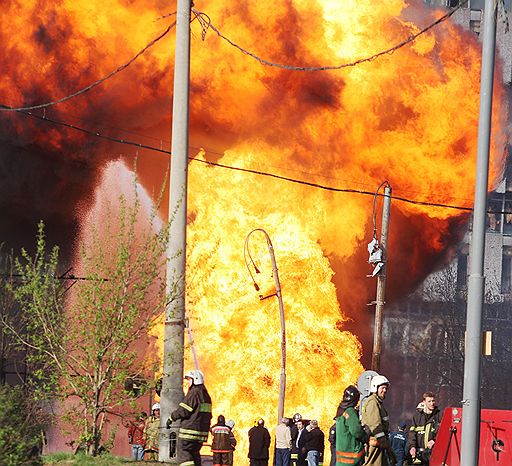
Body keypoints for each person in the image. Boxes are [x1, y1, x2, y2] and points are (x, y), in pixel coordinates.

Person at [167, 370, 213, 466]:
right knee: (194, 454)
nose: (187, 382)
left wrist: (171, 417)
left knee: (184, 453)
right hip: (201, 433)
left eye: (189, 380)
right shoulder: (206, 395)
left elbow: (184, 410)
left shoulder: (194, 393)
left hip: (189, 431)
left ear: (195, 380)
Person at [361, 375, 395, 466]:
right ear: (375, 387)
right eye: (382, 388)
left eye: (386, 388)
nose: (385, 390)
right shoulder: (372, 402)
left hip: (379, 443)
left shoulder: (378, 402)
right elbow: (375, 425)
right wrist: (384, 442)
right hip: (375, 443)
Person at [334, 385, 367, 466]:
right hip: (351, 458)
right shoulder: (350, 412)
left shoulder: (340, 411)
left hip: (341, 460)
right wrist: (366, 436)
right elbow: (356, 431)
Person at [408, 392, 442, 465]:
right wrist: (412, 446)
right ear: (424, 402)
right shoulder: (417, 416)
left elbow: (443, 433)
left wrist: (434, 440)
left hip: (432, 454)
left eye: (433, 401)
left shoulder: (439, 416)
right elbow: (412, 433)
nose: (432, 403)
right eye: (429, 401)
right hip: (418, 455)